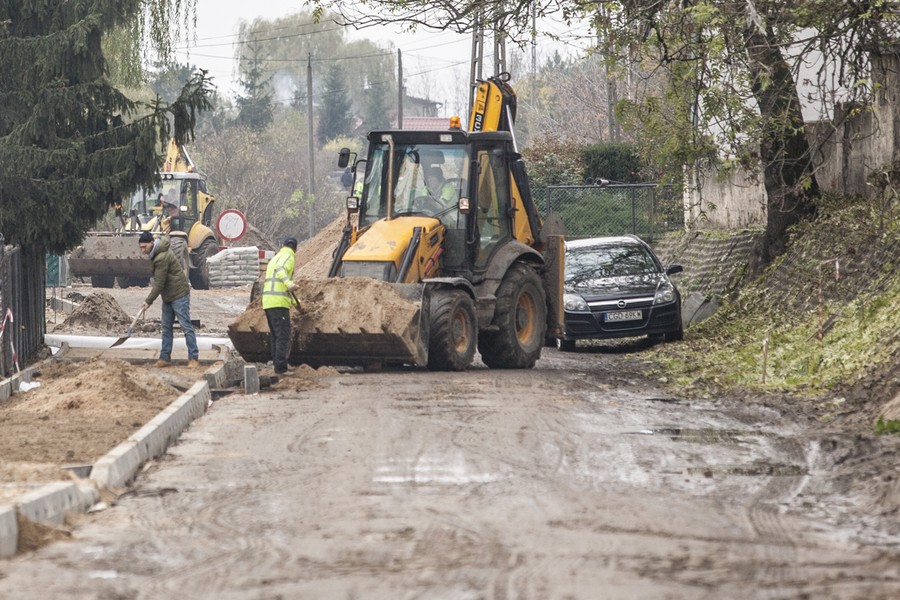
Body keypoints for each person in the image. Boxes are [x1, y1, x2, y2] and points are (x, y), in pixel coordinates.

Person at [138, 231, 200, 368]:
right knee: (166, 327)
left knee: (186, 326)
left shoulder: (161, 257)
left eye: (144, 247)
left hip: (179, 294)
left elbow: (159, 284)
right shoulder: (156, 254)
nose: (143, 250)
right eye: (141, 247)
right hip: (168, 296)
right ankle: (165, 358)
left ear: (152, 243)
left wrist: (148, 301)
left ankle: (193, 358)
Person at [262, 237, 298, 375]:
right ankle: (281, 369)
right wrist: (290, 284)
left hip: (268, 301)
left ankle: (276, 365)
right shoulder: (289, 257)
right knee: (283, 336)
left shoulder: (275, 258)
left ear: (282, 245)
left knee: (275, 336)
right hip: (279, 303)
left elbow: (278, 285)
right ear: (296, 249)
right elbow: (280, 270)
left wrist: (296, 302)